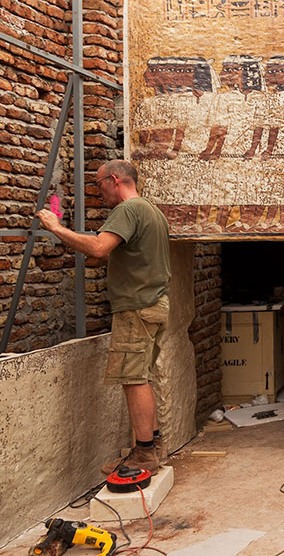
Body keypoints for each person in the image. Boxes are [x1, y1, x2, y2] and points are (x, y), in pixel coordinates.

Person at [37, 160, 171, 474]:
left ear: (114, 180)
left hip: (136, 308)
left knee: (133, 378)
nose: (99, 194)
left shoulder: (127, 210)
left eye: (99, 185)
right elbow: (117, 254)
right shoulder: (152, 211)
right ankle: (154, 445)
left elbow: (99, 247)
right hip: (154, 304)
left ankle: (145, 454)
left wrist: (57, 228)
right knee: (141, 376)